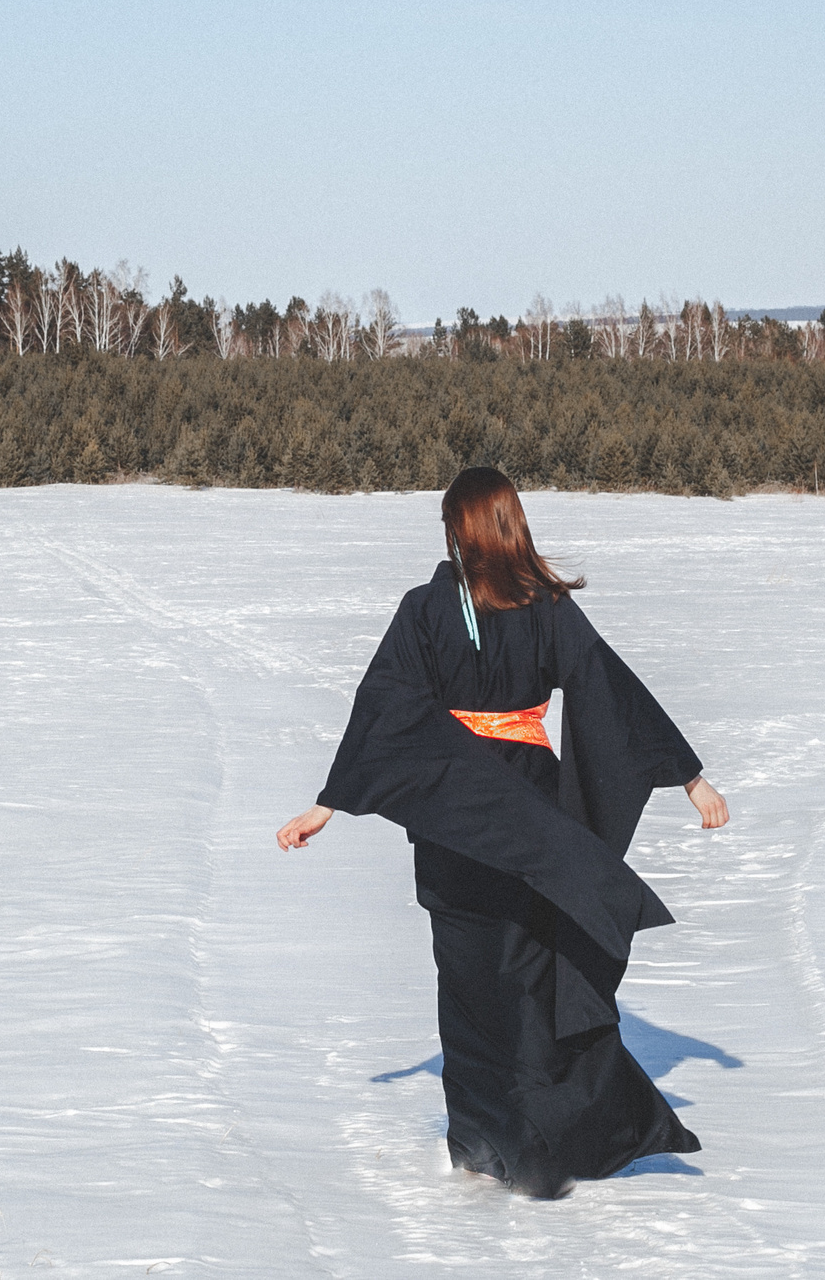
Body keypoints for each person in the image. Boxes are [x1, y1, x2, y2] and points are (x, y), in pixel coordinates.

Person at [277, 467, 730, 1198]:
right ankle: (512, 1141)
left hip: (453, 810)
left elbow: (384, 713)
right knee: (518, 981)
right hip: (527, 812)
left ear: (461, 531)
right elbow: (608, 688)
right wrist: (689, 777)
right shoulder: (534, 607)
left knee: (467, 983)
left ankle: (499, 1144)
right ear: (510, 527)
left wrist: (332, 802)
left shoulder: (432, 608)